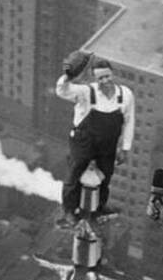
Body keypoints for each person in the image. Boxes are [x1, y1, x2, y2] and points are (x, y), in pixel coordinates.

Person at [56, 54, 134, 222]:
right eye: (100, 78)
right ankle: (69, 209)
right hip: (83, 140)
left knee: (105, 174)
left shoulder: (125, 95)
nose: (104, 81)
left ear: (112, 73)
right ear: (94, 77)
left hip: (108, 143)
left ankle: (100, 207)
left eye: (107, 76)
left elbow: (129, 122)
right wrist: (68, 77)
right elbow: (62, 91)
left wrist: (125, 148)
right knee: (75, 173)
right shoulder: (86, 91)